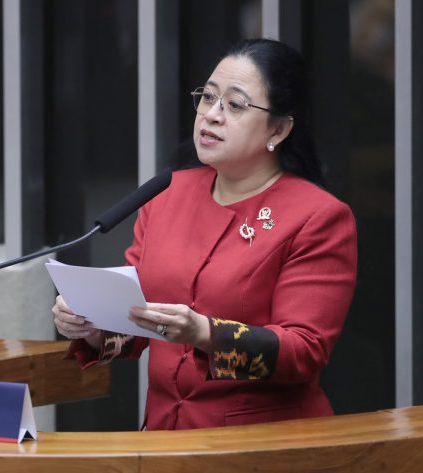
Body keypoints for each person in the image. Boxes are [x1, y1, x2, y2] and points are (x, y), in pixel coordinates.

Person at [52, 38, 357, 430]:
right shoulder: (167, 194)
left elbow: (304, 352)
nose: (211, 115)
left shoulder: (317, 217)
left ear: (278, 129)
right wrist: (94, 328)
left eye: (235, 105)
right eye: (207, 98)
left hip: (260, 445)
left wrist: (206, 334)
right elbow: (139, 322)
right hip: (164, 437)